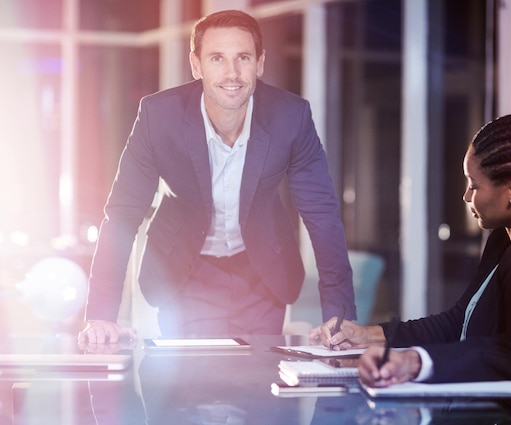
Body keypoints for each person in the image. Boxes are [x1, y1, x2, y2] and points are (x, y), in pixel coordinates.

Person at [78, 9, 356, 343]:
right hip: (186, 272)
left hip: (261, 276)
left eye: (243, 58)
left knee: (258, 385)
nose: (232, 73)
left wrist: (340, 319)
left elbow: (322, 214)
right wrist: (101, 316)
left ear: (260, 62)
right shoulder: (158, 116)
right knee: (187, 385)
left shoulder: (291, 117)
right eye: (217, 59)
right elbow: (123, 214)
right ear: (196, 65)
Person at [312, 114, 511, 417]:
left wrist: (415, 362)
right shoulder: (503, 238)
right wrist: (367, 336)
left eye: (475, 185)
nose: (466, 197)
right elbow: (459, 322)